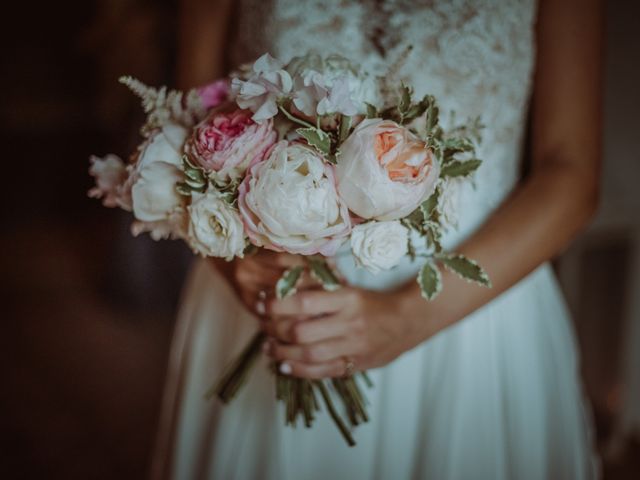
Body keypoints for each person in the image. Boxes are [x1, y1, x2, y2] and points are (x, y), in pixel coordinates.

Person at [153, 0, 603, 478]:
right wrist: (237, 262)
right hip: (273, 292)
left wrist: (407, 317)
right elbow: (191, 122)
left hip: (472, 315)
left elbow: (570, 172)